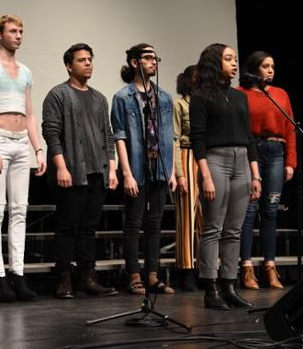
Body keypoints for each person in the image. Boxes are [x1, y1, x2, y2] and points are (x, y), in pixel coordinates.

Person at [42, 43, 118, 299]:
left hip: (96, 171)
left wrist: (112, 167)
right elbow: (51, 133)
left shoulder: (99, 98)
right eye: (82, 60)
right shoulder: (58, 95)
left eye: (90, 59)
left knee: (89, 228)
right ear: (69, 65)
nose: (88, 63)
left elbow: (107, 135)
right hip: (71, 172)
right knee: (67, 227)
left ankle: (87, 277)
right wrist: (61, 167)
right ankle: (63, 278)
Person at [189, 43, 261, 310]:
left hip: (242, 160)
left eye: (234, 59)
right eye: (228, 59)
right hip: (216, 160)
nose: (234, 63)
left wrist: (256, 175)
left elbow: (250, 137)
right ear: (214, 62)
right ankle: (211, 288)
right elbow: (197, 139)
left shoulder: (241, 96)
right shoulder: (200, 96)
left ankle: (230, 285)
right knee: (213, 228)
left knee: (234, 230)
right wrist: (205, 175)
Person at [0, 14, 46, 302]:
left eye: (21, 31)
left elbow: (29, 113)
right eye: (13, 31)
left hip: (21, 143)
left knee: (20, 209)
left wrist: (38, 148)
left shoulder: (26, 71)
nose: (18, 35)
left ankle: (17, 273)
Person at [111, 43, 177, 296]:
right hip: (136, 166)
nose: (154, 62)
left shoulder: (163, 97)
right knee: (134, 222)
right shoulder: (122, 97)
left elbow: (168, 135)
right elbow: (120, 137)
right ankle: (134, 275)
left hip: (158, 166)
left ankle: (152, 275)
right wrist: (126, 173)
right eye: (148, 58)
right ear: (134, 62)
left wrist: (170, 171)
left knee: (155, 223)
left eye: (155, 57)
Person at [237, 51, 296, 290]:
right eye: (265, 66)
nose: (270, 70)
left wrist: (291, 162)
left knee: (270, 212)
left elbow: (291, 128)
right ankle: (246, 267)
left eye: (272, 66)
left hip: (276, 152)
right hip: (251, 152)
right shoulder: (241, 95)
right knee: (249, 212)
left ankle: (270, 268)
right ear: (254, 69)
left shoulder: (280, 95)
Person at [173, 65, 201, 292]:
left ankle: (205, 268)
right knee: (187, 218)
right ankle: (186, 270)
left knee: (206, 218)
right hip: (187, 154)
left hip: (207, 158)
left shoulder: (207, 104)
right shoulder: (180, 104)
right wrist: (179, 173)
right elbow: (174, 139)